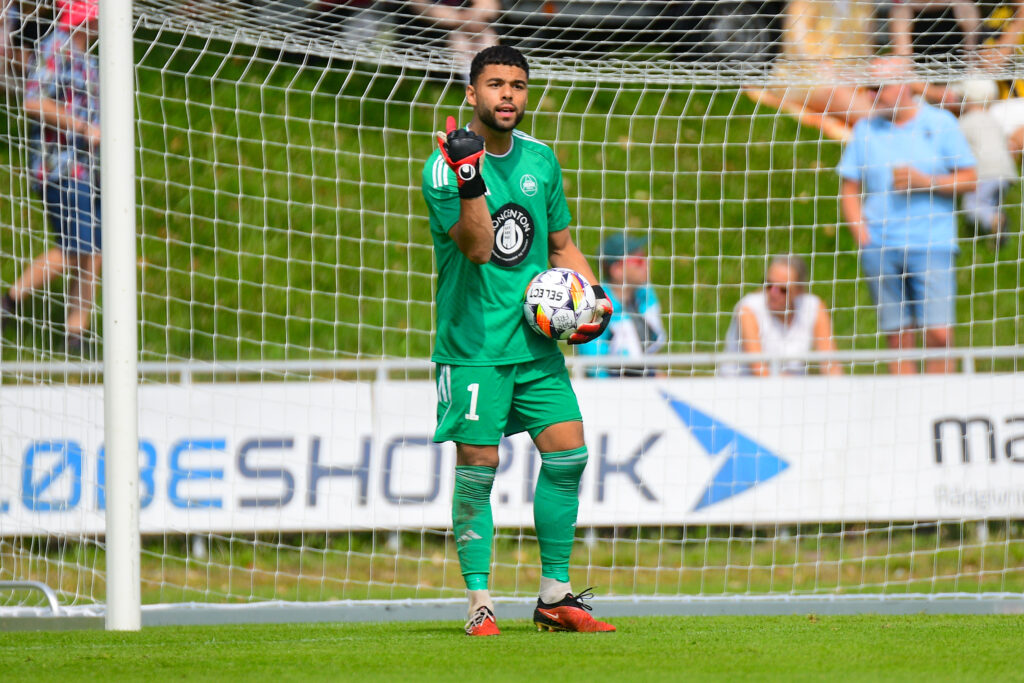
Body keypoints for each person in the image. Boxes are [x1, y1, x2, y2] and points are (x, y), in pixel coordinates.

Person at [420, 45, 616, 636]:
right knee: (478, 467)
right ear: (472, 93)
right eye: (496, 84)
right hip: (474, 346)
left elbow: (559, 246)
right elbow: (478, 247)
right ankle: (480, 602)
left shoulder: (542, 160)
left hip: (535, 346)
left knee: (570, 453)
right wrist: (470, 175)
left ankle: (555, 595)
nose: (508, 95)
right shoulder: (442, 169)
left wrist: (595, 295)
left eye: (518, 85)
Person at [837, 56, 977, 375]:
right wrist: (863, 235)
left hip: (932, 244)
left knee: (940, 334)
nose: (871, 96)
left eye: (877, 88)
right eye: (868, 89)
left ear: (902, 86)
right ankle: (907, 410)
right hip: (880, 247)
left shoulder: (940, 124)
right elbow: (848, 187)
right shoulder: (865, 128)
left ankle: (940, 406)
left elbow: (971, 179)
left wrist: (926, 182)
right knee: (898, 338)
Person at [0, 0, 100, 355]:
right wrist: (83, 128)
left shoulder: (91, 58)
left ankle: (76, 338)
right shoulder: (55, 46)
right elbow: (33, 101)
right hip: (60, 167)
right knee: (78, 249)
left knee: (95, 254)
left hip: (90, 170)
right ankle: (9, 301)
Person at [744, 0, 879, 141]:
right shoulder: (805, 2)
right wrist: (834, 72)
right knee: (835, 91)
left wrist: (858, 74)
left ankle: (888, 125)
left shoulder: (864, 4)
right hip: (804, 76)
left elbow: (867, 49)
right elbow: (799, 47)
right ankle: (889, 127)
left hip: (851, 80)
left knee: (878, 93)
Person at [722, 255, 841, 376]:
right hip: (742, 387)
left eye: (783, 289)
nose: (773, 293)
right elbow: (760, 370)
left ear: (799, 290)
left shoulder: (813, 307)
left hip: (796, 389)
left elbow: (831, 365)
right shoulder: (749, 309)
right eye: (769, 284)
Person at [576, 232, 666, 377]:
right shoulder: (595, 307)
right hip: (612, 387)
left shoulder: (645, 296)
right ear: (617, 270)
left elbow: (649, 349)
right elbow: (594, 368)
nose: (647, 264)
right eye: (639, 261)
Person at [955, 78, 1017, 245]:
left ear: (965, 98)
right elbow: (1009, 144)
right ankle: (995, 240)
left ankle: (994, 220)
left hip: (985, 171)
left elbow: (956, 149)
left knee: (971, 205)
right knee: (990, 203)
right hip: (1006, 171)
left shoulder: (965, 122)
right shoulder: (994, 120)